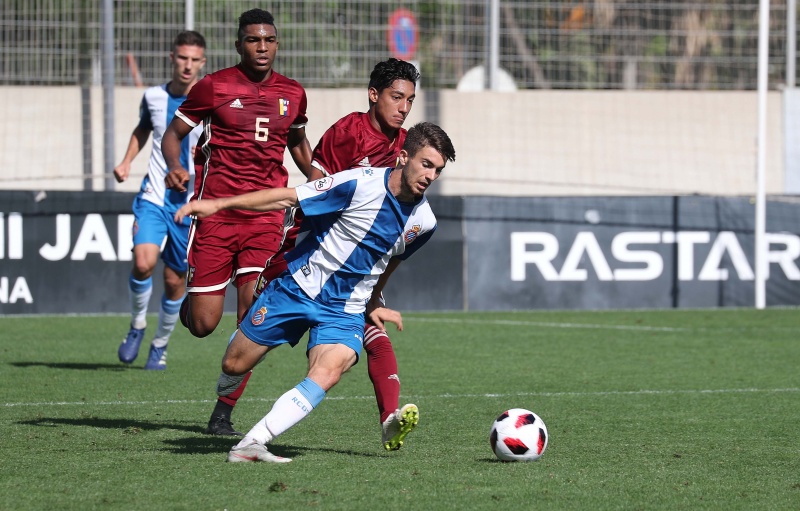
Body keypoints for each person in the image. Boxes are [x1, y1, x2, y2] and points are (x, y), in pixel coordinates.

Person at [175, 121, 456, 463]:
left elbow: (391, 261)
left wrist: (374, 301)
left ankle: (253, 443)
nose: (430, 175)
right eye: (426, 164)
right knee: (234, 363)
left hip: (345, 310)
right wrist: (218, 206)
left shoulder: (424, 222)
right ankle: (230, 389)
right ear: (402, 157)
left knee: (329, 371)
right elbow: (287, 196)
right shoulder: (358, 183)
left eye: (438, 170)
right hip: (297, 289)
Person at [203, 58, 423, 451]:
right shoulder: (348, 132)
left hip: (355, 262)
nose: (404, 107)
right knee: (245, 335)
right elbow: (317, 188)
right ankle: (223, 408)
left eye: (409, 100)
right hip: (307, 249)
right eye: (396, 97)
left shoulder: (405, 146)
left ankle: (390, 419)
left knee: (372, 328)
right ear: (374, 95)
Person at [161, 8, 314, 429]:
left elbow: (298, 141)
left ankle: (223, 411)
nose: (261, 47)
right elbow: (172, 135)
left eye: (268, 40)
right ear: (238, 44)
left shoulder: (293, 92)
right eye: (252, 40)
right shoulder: (214, 86)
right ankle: (185, 305)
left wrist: (317, 176)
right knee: (204, 324)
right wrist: (176, 166)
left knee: (252, 318)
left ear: (277, 43)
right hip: (216, 214)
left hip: (265, 219)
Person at [115, 31, 207, 370]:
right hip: (154, 196)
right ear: (172, 58)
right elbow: (143, 129)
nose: (188, 65)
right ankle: (137, 325)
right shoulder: (153, 96)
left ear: (203, 62)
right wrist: (126, 161)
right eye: (182, 58)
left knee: (173, 281)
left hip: (190, 205)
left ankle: (160, 344)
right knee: (143, 262)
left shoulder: (209, 100)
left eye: (195, 59)